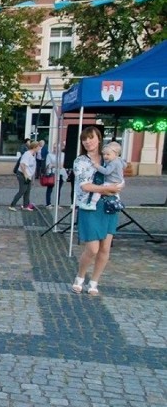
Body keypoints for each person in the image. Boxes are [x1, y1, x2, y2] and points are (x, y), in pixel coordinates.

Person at [71, 127, 124, 297]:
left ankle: (94, 281)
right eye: (84, 139)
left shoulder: (108, 157)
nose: (88, 141)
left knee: (105, 247)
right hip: (89, 207)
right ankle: (80, 276)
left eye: (91, 138)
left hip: (109, 205)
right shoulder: (80, 161)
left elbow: (119, 176)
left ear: (99, 139)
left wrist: (119, 186)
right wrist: (104, 189)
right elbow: (84, 186)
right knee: (92, 248)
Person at [84, 141, 125, 210]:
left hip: (112, 182)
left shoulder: (113, 163)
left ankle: (92, 204)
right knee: (115, 193)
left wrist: (97, 166)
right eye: (104, 154)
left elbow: (106, 172)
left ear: (116, 154)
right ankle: (117, 202)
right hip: (119, 182)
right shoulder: (119, 160)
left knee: (98, 190)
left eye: (108, 154)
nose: (105, 156)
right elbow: (124, 165)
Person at [9, 140, 38, 211]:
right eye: (38, 147)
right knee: (22, 190)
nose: (39, 149)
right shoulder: (27, 154)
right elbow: (22, 164)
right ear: (34, 147)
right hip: (22, 174)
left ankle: (26, 205)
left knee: (27, 191)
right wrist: (25, 175)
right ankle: (12, 205)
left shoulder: (33, 155)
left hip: (28, 175)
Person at [44, 143, 65, 208]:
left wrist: (55, 164)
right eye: (54, 147)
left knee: (58, 189)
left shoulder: (63, 155)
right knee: (50, 189)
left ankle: (57, 204)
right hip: (52, 173)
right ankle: (48, 203)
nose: (55, 149)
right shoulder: (49, 155)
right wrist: (56, 165)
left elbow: (63, 165)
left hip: (61, 173)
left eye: (57, 148)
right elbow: (48, 165)